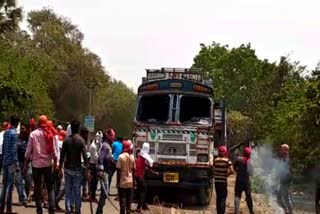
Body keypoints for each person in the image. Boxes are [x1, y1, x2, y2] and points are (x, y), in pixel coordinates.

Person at [24, 115, 57, 214]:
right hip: (47, 165)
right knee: (50, 187)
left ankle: (39, 209)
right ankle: (51, 208)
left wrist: (25, 164)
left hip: (36, 166)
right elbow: (54, 152)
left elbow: (28, 151)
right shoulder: (49, 134)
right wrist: (56, 164)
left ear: (38, 123)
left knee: (37, 188)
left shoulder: (33, 134)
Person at [59, 119, 88, 214]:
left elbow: (62, 156)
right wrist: (87, 170)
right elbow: (84, 156)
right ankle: (77, 210)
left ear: (71, 128)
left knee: (68, 191)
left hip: (67, 168)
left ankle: (68, 210)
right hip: (77, 169)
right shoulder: (81, 140)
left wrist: (60, 168)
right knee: (77, 191)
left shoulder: (66, 140)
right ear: (78, 128)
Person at [0, 116, 20, 213]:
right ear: (17, 123)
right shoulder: (14, 133)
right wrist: (16, 164)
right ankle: (8, 209)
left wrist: (3, 158)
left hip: (4, 161)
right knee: (10, 186)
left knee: (4, 185)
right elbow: (13, 150)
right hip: (11, 162)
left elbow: (4, 147)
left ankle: (1, 207)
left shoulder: (6, 132)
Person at [134, 142, 158, 213]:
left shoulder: (140, 157)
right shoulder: (143, 157)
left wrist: (154, 172)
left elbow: (146, 167)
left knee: (142, 190)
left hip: (137, 177)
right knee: (143, 191)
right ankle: (139, 208)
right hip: (140, 177)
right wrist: (153, 166)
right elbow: (149, 165)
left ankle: (144, 205)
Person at [116, 140, 136, 214]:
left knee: (122, 203)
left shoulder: (120, 157)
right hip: (130, 182)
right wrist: (134, 182)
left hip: (122, 183)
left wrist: (118, 183)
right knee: (129, 203)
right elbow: (134, 171)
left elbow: (118, 171)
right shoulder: (132, 157)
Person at [95, 134, 113, 214]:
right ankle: (99, 211)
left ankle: (99, 211)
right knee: (104, 193)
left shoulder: (107, 146)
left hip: (106, 171)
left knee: (104, 193)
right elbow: (101, 157)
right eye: (112, 136)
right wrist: (101, 170)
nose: (113, 137)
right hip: (104, 172)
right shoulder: (106, 146)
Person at [213, 145, 234, 214]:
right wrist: (227, 174)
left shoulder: (215, 160)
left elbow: (213, 169)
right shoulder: (227, 161)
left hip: (216, 182)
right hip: (223, 181)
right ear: (225, 152)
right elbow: (232, 171)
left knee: (218, 198)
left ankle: (218, 212)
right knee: (223, 198)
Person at [233, 147, 254, 214]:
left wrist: (238, 171)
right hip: (246, 182)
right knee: (248, 196)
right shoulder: (249, 161)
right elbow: (251, 172)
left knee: (237, 196)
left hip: (239, 180)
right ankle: (251, 211)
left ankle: (236, 212)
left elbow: (234, 167)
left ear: (243, 153)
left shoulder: (238, 159)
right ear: (249, 154)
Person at [15, 123, 31, 206]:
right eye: (21, 128)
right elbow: (14, 151)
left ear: (27, 129)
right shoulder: (17, 138)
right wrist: (16, 164)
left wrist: (28, 164)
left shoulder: (30, 138)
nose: (22, 130)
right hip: (19, 162)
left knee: (28, 182)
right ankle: (22, 198)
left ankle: (25, 196)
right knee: (18, 181)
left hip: (28, 163)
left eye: (23, 128)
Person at [277, 144, 293, 214]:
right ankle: (287, 211)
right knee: (279, 197)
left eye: (282, 149)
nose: (280, 150)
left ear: (285, 150)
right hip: (283, 180)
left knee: (286, 198)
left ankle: (290, 212)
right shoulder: (283, 158)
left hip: (285, 181)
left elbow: (288, 171)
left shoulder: (287, 159)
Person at [88, 131, 103, 202]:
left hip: (97, 165)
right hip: (93, 165)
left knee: (95, 181)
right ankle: (91, 196)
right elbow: (96, 157)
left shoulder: (100, 144)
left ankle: (92, 195)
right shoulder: (93, 146)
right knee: (93, 182)